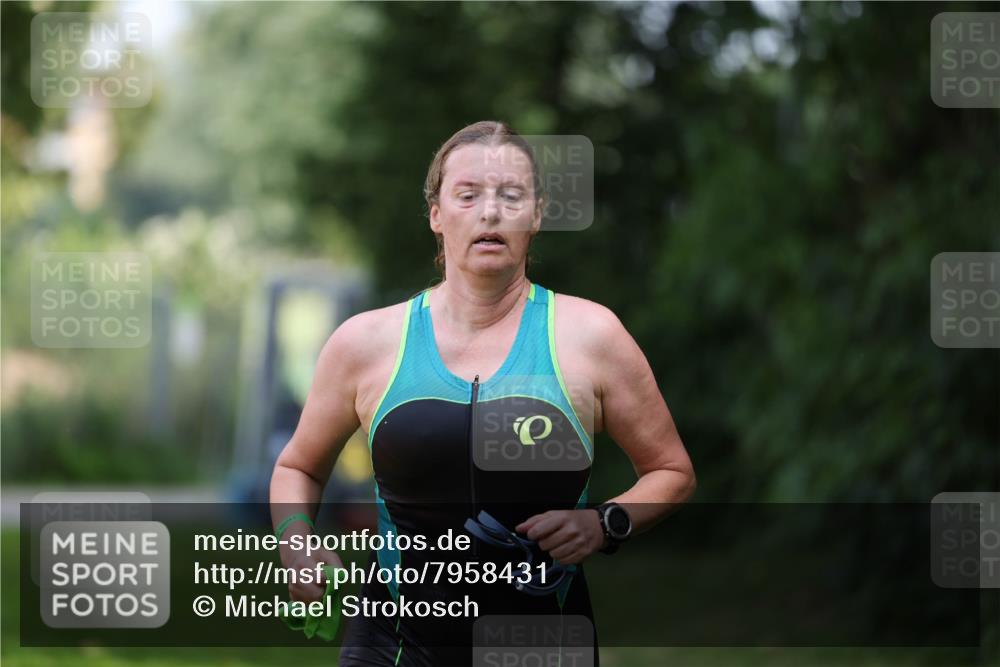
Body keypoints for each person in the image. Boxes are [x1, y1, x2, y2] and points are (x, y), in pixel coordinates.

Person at [270, 120, 696, 666]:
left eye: (511, 196)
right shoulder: (365, 343)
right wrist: (296, 542)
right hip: (394, 646)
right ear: (436, 215)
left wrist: (604, 523)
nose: (490, 212)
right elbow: (298, 468)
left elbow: (672, 471)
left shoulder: (592, 337)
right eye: (468, 195)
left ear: (537, 216)